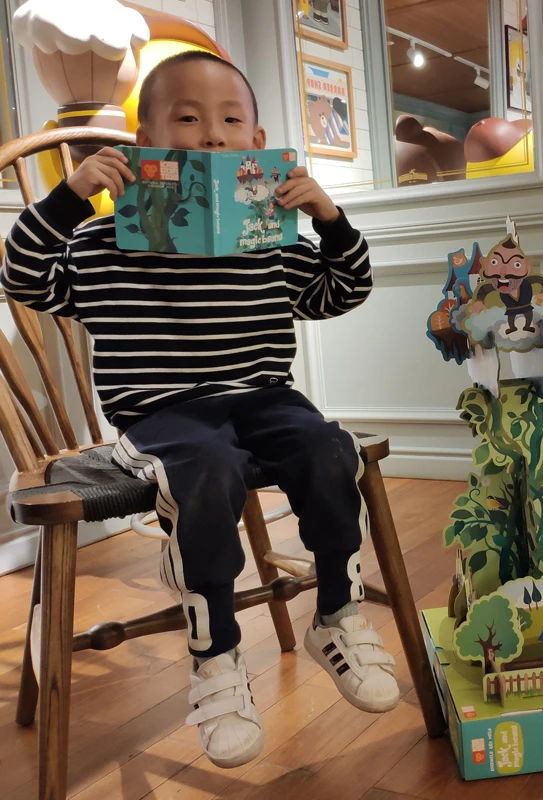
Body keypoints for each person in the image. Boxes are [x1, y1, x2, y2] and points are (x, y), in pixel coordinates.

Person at [1, 51, 399, 770]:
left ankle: (337, 612)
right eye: (186, 119)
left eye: (230, 120)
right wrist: (68, 199)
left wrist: (329, 219)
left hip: (264, 397)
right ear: (144, 142)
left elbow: (343, 292)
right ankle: (215, 652)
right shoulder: (102, 242)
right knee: (207, 469)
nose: (211, 134)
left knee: (328, 447)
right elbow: (24, 281)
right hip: (162, 413)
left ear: (257, 141)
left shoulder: (270, 237)